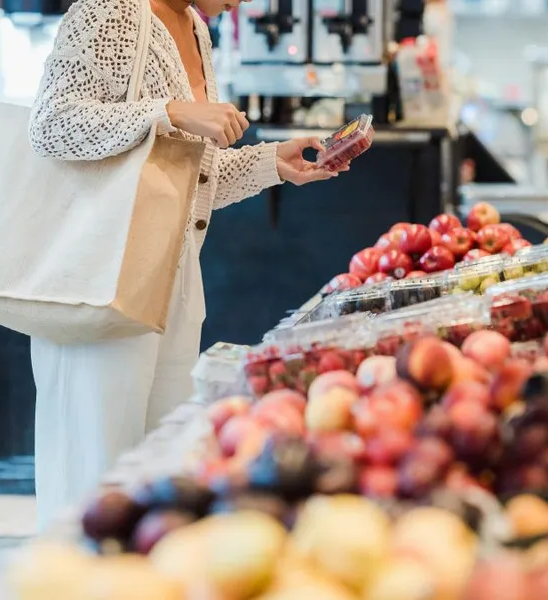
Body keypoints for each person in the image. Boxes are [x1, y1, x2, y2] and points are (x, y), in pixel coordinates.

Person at [27, 0, 346, 530]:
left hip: (173, 281)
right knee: (95, 476)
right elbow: (51, 127)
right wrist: (170, 111)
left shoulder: (198, 29)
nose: (242, 4)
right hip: (101, 281)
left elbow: (189, 177)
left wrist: (273, 162)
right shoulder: (109, 11)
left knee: (161, 471)